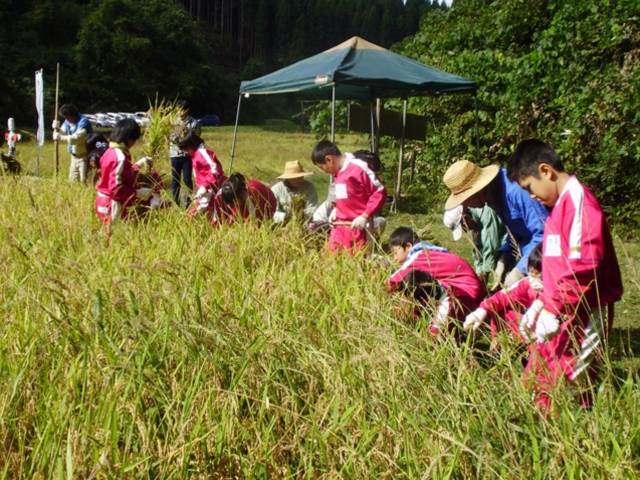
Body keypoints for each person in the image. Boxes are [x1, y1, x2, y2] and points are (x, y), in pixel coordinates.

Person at [506, 139, 623, 411]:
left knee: (572, 374)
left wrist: (553, 310)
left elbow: (584, 265)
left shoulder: (579, 202)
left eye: (529, 188)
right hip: (559, 306)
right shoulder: (558, 207)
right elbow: (555, 264)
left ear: (546, 171)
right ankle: (541, 422)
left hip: (585, 308)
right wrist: (541, 305)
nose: (532, 196)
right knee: (541, 369)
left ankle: (581, 426)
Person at [443, 159, 548, 287]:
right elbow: (516, 230)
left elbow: (545, 234)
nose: (466, 204)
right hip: (528, 255)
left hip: (546, 260)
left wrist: (520, 270)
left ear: (476, 191)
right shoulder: (493, 197)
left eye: (465, 200)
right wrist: (505, 255)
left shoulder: (516, 190)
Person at [387, 227, 485, 334]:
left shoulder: (419, 255)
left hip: (464, 294)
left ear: (408, 246)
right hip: (466, 290)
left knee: (435, 334)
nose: (394, 258)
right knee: (417, 285)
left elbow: (392, 280)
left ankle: (444, 332)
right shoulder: (431, 250)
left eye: (395, 252)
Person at [310, 141, 386, 252]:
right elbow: (345, 195)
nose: (324, 171)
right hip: (339, 227)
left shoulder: (358, 168)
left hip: (359, 227)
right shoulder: (337, 172)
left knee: (358, 262)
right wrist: (336, 210)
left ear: (329, 159)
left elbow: (380, 191)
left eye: (322, 167)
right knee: (332, 259)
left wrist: (365, 215)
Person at [463, 243, 543, 341]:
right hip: (527, 326)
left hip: (545, 334)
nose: (534, 281)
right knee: (499, 310)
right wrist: (483, 309)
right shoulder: (527, 284)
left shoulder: (561, 296)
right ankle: (498, 346)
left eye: (541, 278)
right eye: (531, 274)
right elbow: (504, 296)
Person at [95, 119, 150, 230]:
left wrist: (139, 164)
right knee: (113, 237)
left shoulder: (110, 151)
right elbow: (116, 189)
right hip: (112, 204)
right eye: (134, 140)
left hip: (105, 201)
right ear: (129, 139)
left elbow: (123, 173)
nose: (134, 144)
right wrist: (138, 193)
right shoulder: (119, 156)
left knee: (109, 234)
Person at [443, 204, 506, 288]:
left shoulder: (486, 214)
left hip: (508, 244)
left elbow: (491, 248)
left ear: (465, 218)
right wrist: (479, 272)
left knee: (501, 274)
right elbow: (477, 252)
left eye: (463, 227)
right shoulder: (474, 223)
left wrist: (483, 280)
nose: (465, 230)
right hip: (498, 248)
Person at [177, 132, 226, 218]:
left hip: (212, 188)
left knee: (197, 213)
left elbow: (214, 169)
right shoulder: (195, 155)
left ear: (191, 146)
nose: (185, 152)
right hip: (205, 189)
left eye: (186, 149)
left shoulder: (202, 153)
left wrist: (205, 186)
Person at [212, 173, 277, 225]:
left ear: (241, 195)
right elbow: (216, 221)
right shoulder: (219, 196)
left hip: (267, 202)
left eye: (233, 203)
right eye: (228, 204)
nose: (230, 206)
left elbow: (253, 224)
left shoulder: (251, 196)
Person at [52, 104, 93, 183]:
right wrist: (57, 128)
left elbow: (76, 139)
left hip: (84, 157)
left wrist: (60, 137)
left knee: (84, 181)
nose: (66, 119)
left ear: (73, 115)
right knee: (72, 181)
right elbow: (63, 132)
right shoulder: (67, 122)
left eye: (67, 117)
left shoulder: (84, 122)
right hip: (74, 157)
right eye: (65, 117)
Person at [169, 104, 201, 207]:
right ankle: (175, 201)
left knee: (187, 179)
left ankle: (187, 202)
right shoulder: (173, 122)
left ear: (186, 110)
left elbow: (196, 137)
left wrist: (187, 136)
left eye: (182, 110)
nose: (179, 112)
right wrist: (180, 140)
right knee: (175, 179)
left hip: (187, 155)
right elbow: (171, 137)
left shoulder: (194, 123)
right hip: (175, 154)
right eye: (178, 109)